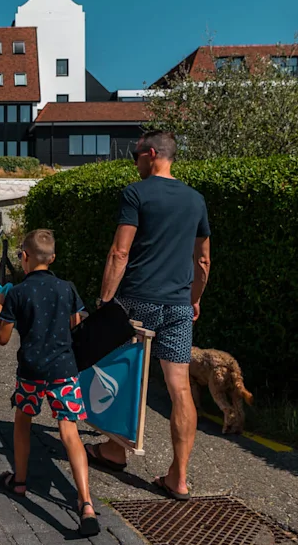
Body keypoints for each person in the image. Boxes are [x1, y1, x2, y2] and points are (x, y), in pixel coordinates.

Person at [86, 131, 211, 501]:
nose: (135, 162)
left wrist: (106, 301)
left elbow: (119, 253)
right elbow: (202, 260)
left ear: (152, 154)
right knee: (180, 387)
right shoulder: (196, 199)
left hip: (138, 298)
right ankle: (179, 477)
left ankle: (114, 451)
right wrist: (194, 298)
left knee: (123, 372)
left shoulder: (136, 193)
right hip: (177, 304)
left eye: (136, 156)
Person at [0, 229, 99, 537]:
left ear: (24, 258)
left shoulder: (16, 293)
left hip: (31, 370)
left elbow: (1, 339)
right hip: (64, 369)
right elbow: (76, 324)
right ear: (52, 258)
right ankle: (86, 503)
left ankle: (20, 480)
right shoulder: (67, 288)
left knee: (23, 421)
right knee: (70, 432)